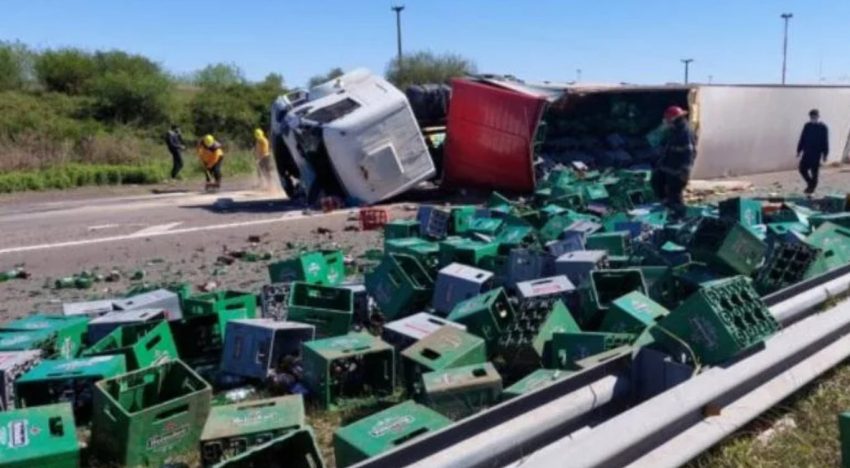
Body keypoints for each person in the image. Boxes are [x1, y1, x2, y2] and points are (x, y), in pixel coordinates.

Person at [650, 105, 697, 219]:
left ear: (673, 119)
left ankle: (681, 216)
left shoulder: (684, 133)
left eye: (667, 120)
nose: (666, 123)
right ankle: (670, 209)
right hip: (670, 169)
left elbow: (689, 153)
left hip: (678, 172)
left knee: (675, 195)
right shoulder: (676, 131)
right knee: (657, 180)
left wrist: (685, 172)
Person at [797, 109, 829, 194]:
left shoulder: (823, 128)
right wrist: (799, 150)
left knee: (814, 172)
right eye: (811, 116)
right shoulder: (807, 126)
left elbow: (825, 141)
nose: (813, 118)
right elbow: (802, 138)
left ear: (818, 117)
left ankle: (811, 188)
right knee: (802, 169)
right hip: (807, 152)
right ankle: (810, 184)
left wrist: (825, 154)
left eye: (815, 116)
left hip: (816, 153)